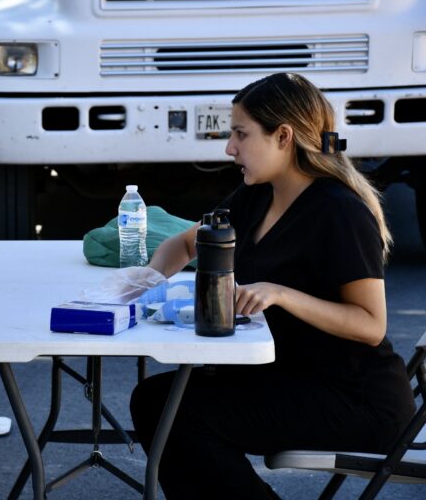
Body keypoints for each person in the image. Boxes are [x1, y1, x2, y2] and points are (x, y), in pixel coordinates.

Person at [129, 73, 415, 499]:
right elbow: (185, 243)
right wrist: (140, 284)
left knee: (177, 415)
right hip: (295, 377)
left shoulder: (340, 212)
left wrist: (282, 294)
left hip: (354, 400)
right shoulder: (257, 196)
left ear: (283, 137)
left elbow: (370, 324)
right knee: (157, 402)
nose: (229, 147)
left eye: (241, 134)